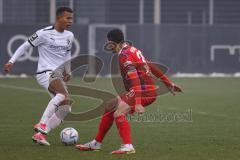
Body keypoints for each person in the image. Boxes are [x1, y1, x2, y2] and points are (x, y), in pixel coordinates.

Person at [75, 29, 182, 154]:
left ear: (111, 43)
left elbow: (134, 77)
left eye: (108, 42)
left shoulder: (124, 56)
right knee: (110, 105)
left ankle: (128, 146)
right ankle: (96, 143)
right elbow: (150, 65)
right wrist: (169, 83)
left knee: (119, 113)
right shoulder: (132, 49)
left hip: (143, 91)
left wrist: (137, 103)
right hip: (143, 89)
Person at [3, 7, 74, 146]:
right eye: (68, 18)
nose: (70, 21)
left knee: (66, 108)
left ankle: (40, 135)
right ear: (59, 18)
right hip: (45, 72)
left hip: (57, 75)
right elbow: (24, 46)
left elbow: (67, 53)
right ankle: (42, 124)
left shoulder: (69, 36)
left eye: (71, 18)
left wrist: (68, 70)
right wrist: (11, 61)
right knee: (61, 94)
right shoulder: (43, 33)